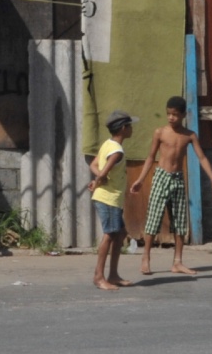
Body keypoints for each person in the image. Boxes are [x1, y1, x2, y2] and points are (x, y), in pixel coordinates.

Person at [129, 96, 212, 276]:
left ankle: (177, 262)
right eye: (169, 114)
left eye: (175, 115)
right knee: (154, 219)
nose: (171, 118)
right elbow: (150, 157)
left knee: (179, 222)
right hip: (161, 178)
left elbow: (202, 157)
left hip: (178, 179)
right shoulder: (160, 132)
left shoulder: (189, 135)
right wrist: (140, 179)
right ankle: (146, 258)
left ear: (183, 115)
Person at [89, 110, 137, 291]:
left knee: (120, 234)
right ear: (124, 128)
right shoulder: (117, 151)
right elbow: (103, 171)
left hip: (111, 198)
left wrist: (98, 178)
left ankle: (114, 275)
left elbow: (93, 165)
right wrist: (99, 179)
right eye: (130, 126)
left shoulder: (107, 145)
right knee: (110, 235)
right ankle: (99, 276)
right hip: (108, 198)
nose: (132, 129)